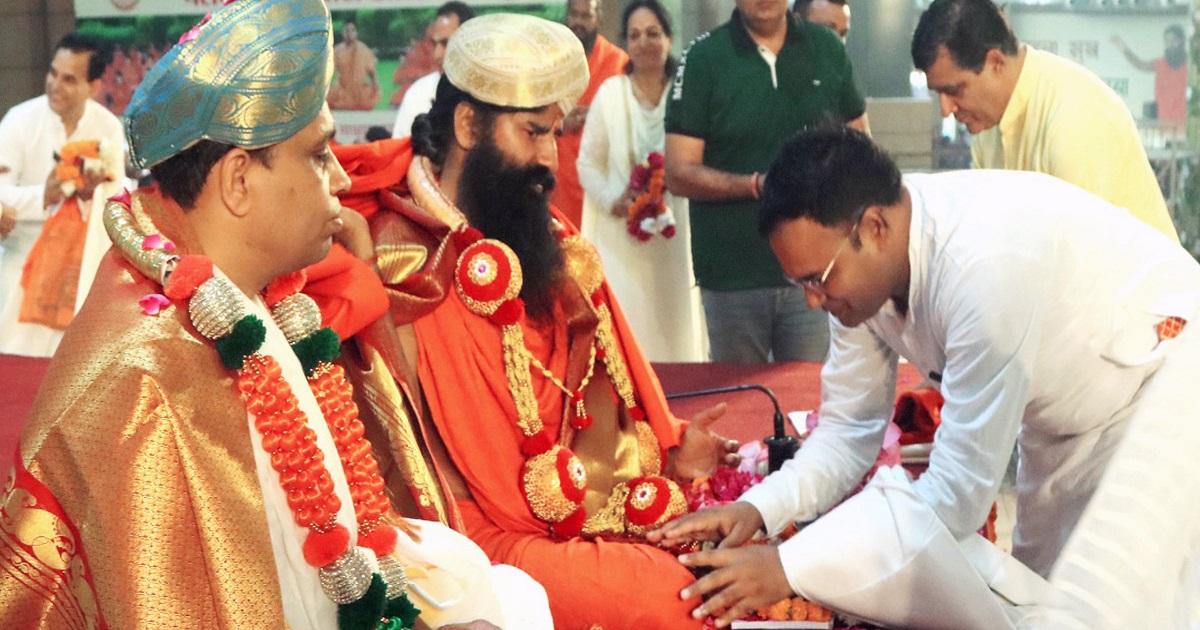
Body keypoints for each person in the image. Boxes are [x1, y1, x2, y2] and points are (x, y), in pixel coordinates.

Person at [0, 2, 552, 628]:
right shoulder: (148, 381)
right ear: (238, 181)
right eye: (318, 155)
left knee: (496, 587)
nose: (341, 179)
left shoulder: (243, 298)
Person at [651, 127, 1200, 628]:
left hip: (1163, 389)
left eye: (818, 279)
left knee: (1127, 602)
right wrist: (759, 508)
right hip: (1065, 413)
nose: (813, 301)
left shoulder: (985, 270)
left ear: (875, 227)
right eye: (801, 284)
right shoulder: (859, 280)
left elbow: (956, 498)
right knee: (1045, 598)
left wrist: (789, 567)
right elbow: (847, 433)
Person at [322, 13, 740, 629]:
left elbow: (591, 386)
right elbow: (425, 478)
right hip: (479, 542)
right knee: (675, 598)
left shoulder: (543, 235)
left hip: (581, 509)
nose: (549, 157)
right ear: (468, 125)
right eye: (533, 132)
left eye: (555, 133)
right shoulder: (403, 261)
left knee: (723, 559)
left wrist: (671, 448)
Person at [664, 0, 867, 363]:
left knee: (810, 389)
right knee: (739, 393)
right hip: (733, 272)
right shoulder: (703, 59)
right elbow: (678, 173)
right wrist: (756, 184)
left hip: (817, 269)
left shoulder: (826, 48)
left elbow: (860, 149)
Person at [913, 0, 1178, 241]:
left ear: (995, 63)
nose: (945, 109)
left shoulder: (1073, 115)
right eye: (938, 94)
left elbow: (1083, 257)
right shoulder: (987, 126)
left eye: (954, 90)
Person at [576, 0, 704, 362]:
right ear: (626, 44)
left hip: (676, 240)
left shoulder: (685, 95)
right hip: (621, 240)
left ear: (669, 39)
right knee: (628, 337)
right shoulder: (610, 94)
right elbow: (587, 163)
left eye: (653, 33)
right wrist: (612, 199)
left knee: (676, 333)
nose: (644, 42)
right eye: (635, 35)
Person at [0, 33, 126, 357]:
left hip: (80, 272)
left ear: (93, 86)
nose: (55, 85)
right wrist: (43, 196)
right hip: (21, 268)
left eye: (69, 79)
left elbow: (119, 203)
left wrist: (89, 196)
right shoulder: (19, 122)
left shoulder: (108, 128)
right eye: (53, 73)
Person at [552, 0, 629, 228]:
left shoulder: (619, 62)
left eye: (586, 16)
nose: (579, 22)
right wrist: (561, 122)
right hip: (560, 177)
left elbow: (629, 118)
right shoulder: (553, 61)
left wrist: (599, 115)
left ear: (599, 19)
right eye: (574, 15)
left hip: (602, 178)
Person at [393, 2, 474, 139]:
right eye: (435, 44)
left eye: (446, 43)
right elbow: (403, 146)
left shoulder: (490, 90)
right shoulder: (419, 93)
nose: (437, 54)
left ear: (469, 41)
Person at [1112, 25, 1189, 127]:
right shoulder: (1160, 64)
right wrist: (1124, 49)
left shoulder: (1190, 66)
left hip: (1186, 122)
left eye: (1173, 40)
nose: (1170, 44)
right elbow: (1140, 64)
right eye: (1167, 41)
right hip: (1164, 121)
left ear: (1181, 41)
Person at [328, 21, 380, 111]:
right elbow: (330, 72)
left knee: (369, 95)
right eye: (347, 31)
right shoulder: (337, 50)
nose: (350, 33)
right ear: (343, 33)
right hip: (343, 89)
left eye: (352, 30)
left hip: (359, 90)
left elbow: (372, 72)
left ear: (356, 33)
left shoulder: (363, 49)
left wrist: (375, 84)